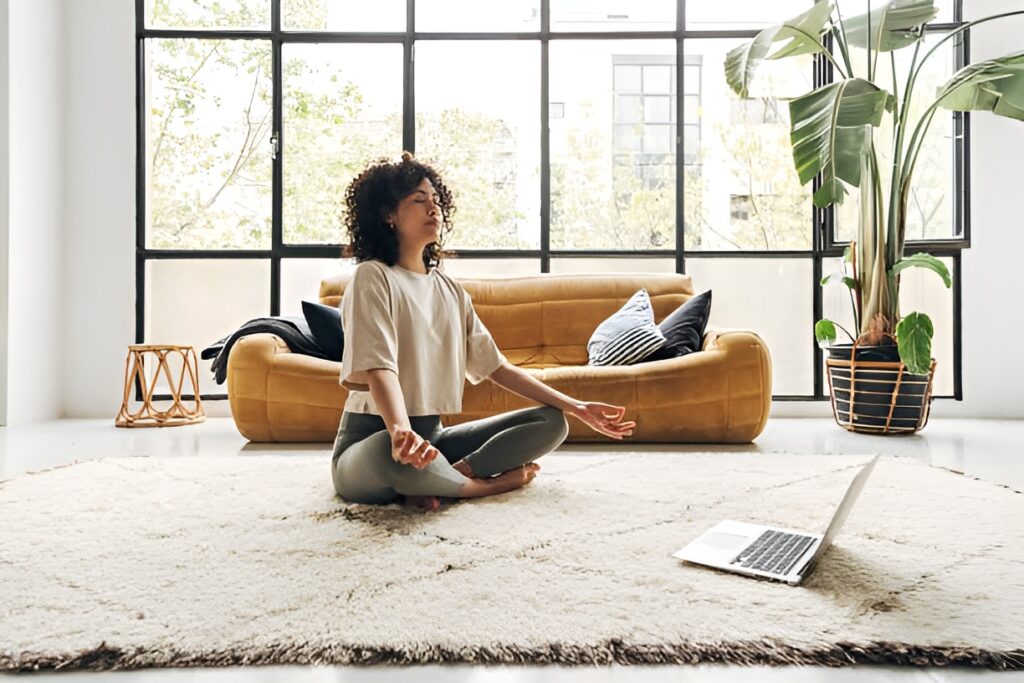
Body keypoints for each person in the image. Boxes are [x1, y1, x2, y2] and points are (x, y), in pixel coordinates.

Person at [331, 151, 636, 512]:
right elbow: (380, 366)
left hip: (432, 440)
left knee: (552, 422)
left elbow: (497, 368)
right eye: (419, 200)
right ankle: (480, 487)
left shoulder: (451, 291)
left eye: (436, 200)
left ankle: (451, 475)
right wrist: (399, 431)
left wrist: (577, 406)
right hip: (371, 443)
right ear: (388, 215)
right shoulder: (373, 276)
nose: (434, 209)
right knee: (388, 452)